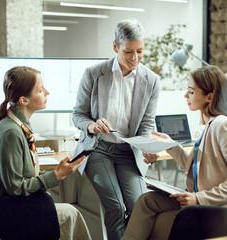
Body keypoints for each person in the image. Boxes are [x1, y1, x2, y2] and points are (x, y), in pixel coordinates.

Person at [122, 66, 227, 240]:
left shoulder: (223, 124)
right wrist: (172, 146)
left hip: (226, 208)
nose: (186, 96)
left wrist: (199, 198)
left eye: (191, 92)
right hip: (203, 200)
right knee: (147, 201)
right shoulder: (209, 125)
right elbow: (198, 169)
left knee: (158, 224)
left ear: (209, 96)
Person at [0, 66, 91, 240]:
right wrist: (55, 176)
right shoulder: (11, 133)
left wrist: (57, 172)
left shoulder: (17, 124)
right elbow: (16, 187)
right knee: (71, 214)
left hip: (1, 202)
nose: (47, 92)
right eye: (41, 90)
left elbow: (20, 176)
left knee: (65, 210)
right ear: (24, 100)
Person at [73, 18, 160, 240]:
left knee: (140, 207)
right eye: (128, 51)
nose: (135, 58)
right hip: (98, 149)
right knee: (116, 207)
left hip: (128, 152)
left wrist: (147, 144)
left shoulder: (151, 80)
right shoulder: (94, 73)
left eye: (140, 51)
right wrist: (92, 126)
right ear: (115, 47)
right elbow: (78, 115)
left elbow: (147, 123)